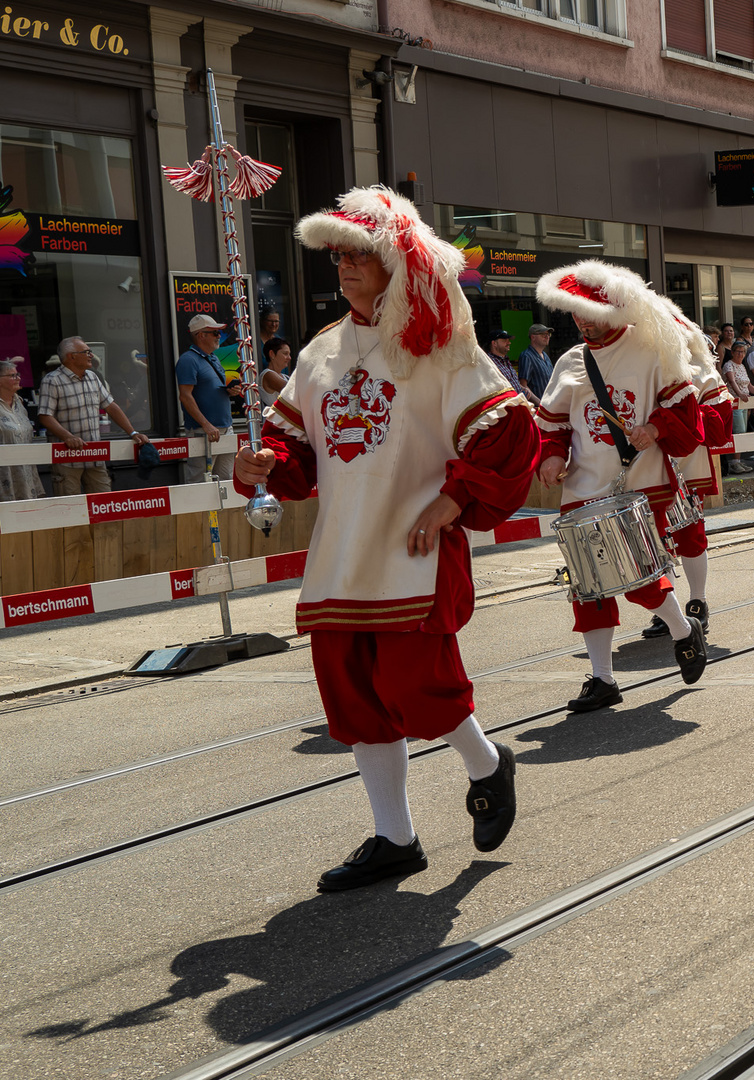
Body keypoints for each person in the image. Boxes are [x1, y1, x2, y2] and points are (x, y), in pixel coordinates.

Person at [233, 186, 538, 892]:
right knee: (355, 700)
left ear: (394, 262)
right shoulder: (318, 353)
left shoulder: (440, 347)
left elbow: (507, 431)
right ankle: (394, 837)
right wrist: (264, 464)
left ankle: (488, 763)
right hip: (342, 552)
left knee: (417, 687)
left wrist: (452, 500)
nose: (343, 267)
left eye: (358, 256)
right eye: (337, 256)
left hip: (413, 548)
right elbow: (297, 457)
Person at [534, 260, 710, 712]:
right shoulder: (570, 360)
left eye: (590, 311)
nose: (583, 321)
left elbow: (689, 420)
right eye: (576, 312)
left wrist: (654, 427)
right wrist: (551, 455)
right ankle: (602, 677)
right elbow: (551, 424)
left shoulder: (653, 349)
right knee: (587, 585)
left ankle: (681, 629)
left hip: (641, 484)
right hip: (582, 490)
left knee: (638, 579)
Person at [641, 297, 728, 641]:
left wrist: (682, 420)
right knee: (654, 539)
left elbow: (721, 428)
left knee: (689, 537)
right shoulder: (639, 369)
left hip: (685, 469)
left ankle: (698, 602)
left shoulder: (701, 370)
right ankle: (670, 608)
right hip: (645, 467)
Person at [36, 336, 150, 495]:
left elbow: (111, 407)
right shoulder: (52, 380)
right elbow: (45, 416)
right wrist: (68, 437)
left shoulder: (92, 377)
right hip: (67, 459)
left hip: (94, 456)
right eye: (87, 352)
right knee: (71, 509)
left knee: (103, 504)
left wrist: (133, 432)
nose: (91, 355)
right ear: (72, 356)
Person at [176, 314, 237, 483]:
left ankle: (222, 512)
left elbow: (212, 389)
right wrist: (206, 425)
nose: (219, 336)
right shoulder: (188, 360)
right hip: (203, 432)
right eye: (215, 333)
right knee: (200, 482)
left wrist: (231, 391)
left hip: (224, 429)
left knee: (226, 481)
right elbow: (185, 396)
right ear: (201, 335)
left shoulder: (213, 358)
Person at [0, 358, 44, 501]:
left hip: (25, 472)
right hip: (4, 474)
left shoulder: (19, 402)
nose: (18, 378)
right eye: (12, 375)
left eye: (18, 374)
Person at [720, 339, 754, 474]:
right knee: (738, 431)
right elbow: (732, 381)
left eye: (742, 352)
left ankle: (738, 461)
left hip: (745, 403)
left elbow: (749, 385)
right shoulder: (729, 365)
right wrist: (740, 394)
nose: (740, 354)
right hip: (735, 403)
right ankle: (734, 463)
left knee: (743, 431)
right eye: (738, 352)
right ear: (732, 353)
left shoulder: (742, 366)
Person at [517, 323, 554, 401]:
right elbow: (523, 385)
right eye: (543, 334)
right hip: (537, 408)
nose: (547, 336)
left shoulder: (545, 355)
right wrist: (539, 403)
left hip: (549, 404)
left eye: (548, 334)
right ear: (533, 337)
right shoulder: (526, 356)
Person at [258, 336, 292, 411]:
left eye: (289, 354)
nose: (289, 358)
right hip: (275, 421)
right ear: (272, 354)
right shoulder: (268, 374)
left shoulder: (285, 377)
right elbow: (292, 391)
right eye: (285, 353)